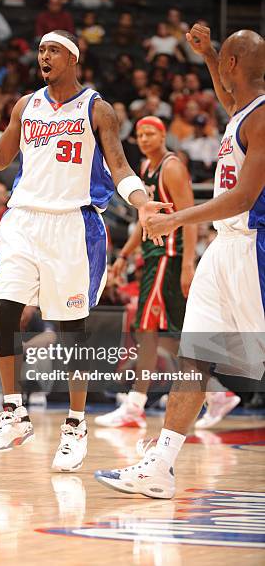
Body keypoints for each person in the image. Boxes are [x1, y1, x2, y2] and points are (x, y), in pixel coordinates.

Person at [0, 29, 169, 472]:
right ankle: (13, 413)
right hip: (24, 219)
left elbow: (120, 166)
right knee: (6, 311)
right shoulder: (26, 105)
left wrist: (142, 204)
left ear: (72, 59)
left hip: (72, 225)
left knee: (71, 332)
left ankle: (74, 425)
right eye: (41, 50)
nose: (43, 56)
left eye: (52, 51)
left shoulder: (96, 108)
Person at [95, 25, 265, 497]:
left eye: (222, 64)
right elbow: (227, 95)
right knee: (194, 354)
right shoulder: (242, 111)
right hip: (223, 248)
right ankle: (160, 466)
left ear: (235, 67)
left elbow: (244, 197)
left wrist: (178, 219)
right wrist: (210, 56)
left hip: (254, 246)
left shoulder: (262, 119)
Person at [95, 116, 196, 428]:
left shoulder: (172, 167)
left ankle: (136, 404)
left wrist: (189, 263)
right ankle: (216, 392)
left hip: (170, 256)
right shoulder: (146, 170)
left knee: (148, 329)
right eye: (139, 134)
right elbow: (147, 219)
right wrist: (124, 254)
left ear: (163, 134)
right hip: (154, 256)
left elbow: (190, 217)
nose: (144, 138)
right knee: (166, 331)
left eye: (150, 133)